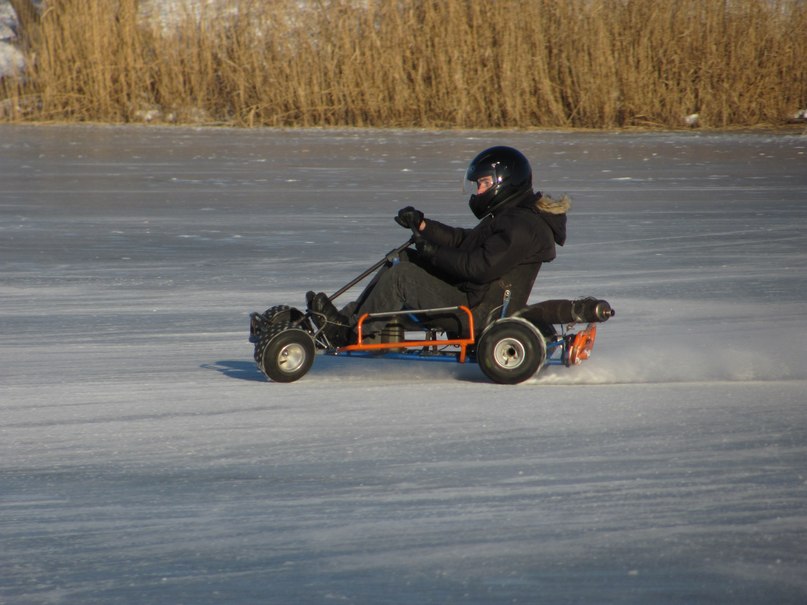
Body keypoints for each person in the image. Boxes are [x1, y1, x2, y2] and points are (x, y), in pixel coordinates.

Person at [307, 145, 570, 345]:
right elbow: (466, 242)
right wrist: (424, 226)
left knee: (403, 277)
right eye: (478, 185)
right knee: (407, 258)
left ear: (506, 182)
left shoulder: (521, 226)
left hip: (478, 314)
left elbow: (478, 267)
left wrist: (433, 252)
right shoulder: (512, 217)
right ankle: (345, 322)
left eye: (484, 184)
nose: (479, 192)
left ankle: (348, 335)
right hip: (473, 298)